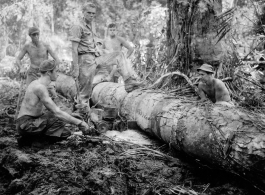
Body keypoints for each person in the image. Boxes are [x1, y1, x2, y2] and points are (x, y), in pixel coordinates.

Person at [70, 4, 144, 113]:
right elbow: (74, 49)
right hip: (84, 60)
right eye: (89, 13)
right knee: (85, 93)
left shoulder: (92, 24)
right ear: (83, 12)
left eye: (93, 13)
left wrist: (101, 50)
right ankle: (82, 119)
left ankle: (128, 82)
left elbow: (93, 42)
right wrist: (76, 68)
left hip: (96, 57)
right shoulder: (77, 26)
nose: (91, 15)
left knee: (119, 55)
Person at [16, 60, 92, 147]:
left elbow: (55, 108)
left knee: (65, 133)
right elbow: (57, 112)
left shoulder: (38, 84)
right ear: (48, 73)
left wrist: (72, 116)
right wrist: (80, 123)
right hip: (26, 125)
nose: (57, 74)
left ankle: (29, 140)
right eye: (55, 71)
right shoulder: (40, 88)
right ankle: (35, 142)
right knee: (58, 116)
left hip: (28, 124)